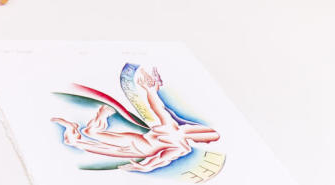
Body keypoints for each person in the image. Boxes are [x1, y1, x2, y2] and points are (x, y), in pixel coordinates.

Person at [52, 67, 220, 172]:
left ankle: (74, 127)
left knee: (89, 135)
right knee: (87, 138)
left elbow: (161, 157)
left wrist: (151, 90)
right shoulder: (178, 140)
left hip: (136, 147)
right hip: (137, 145)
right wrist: (150, 90)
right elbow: (161, 158)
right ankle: (76, 126)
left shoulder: (173, 132)